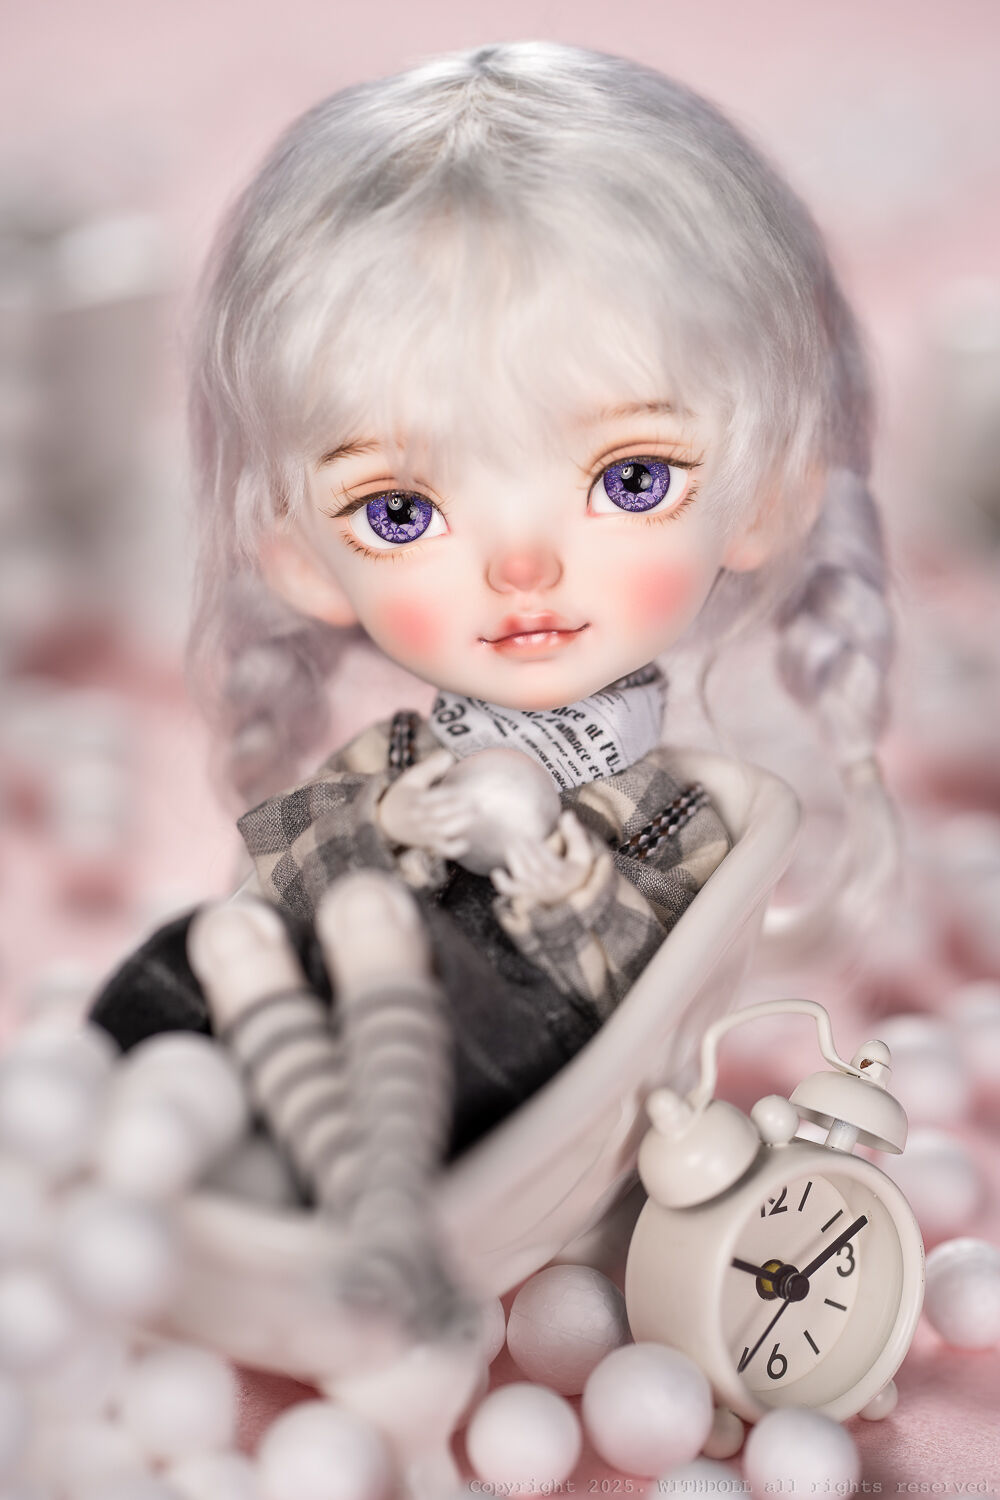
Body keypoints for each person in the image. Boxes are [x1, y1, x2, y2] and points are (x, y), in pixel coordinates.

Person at [92, 41, 895, 1337]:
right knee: (194, 954)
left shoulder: (674, 814)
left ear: (765, 496)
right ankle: (139, 1133)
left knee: (452, 1000)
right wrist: (388, 823)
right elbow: (278, 858)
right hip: (317, 1051)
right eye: (402, 510)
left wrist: (539, 861)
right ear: (299, 553)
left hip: (497, 1077)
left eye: (631, 479)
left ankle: (358, 1213)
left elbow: (628, 970)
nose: (522, 568)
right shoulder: (401, 757)